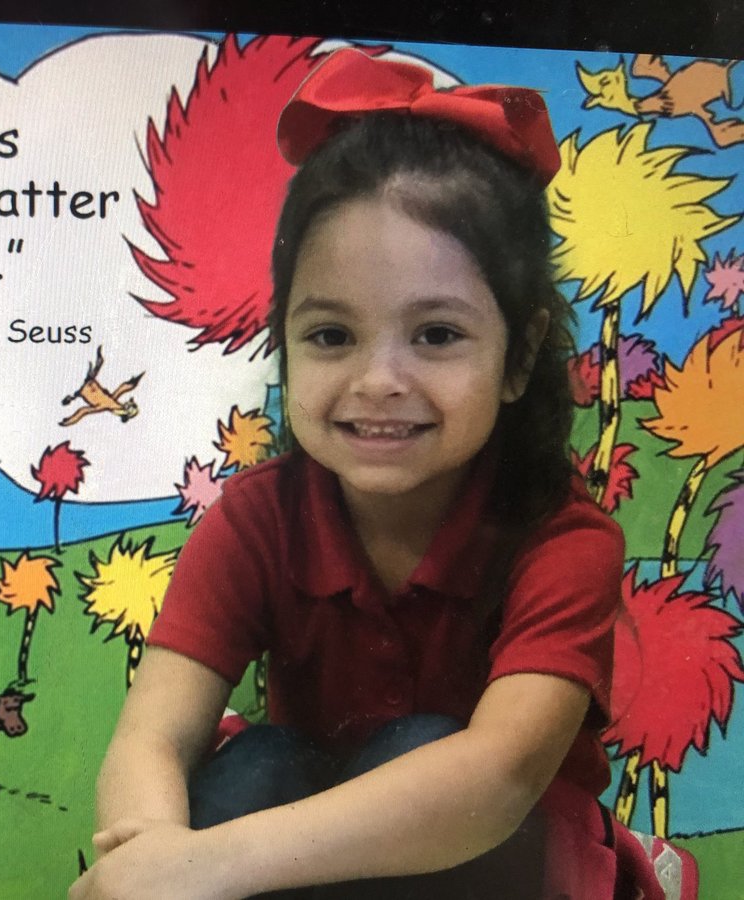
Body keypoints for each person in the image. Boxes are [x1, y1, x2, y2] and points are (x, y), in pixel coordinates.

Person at [70, 48, 626, 899]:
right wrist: (146, 859)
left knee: (427, 750)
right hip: (312, 852)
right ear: (284, 344)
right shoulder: (259, 520)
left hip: (504, 861)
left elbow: (496, 778)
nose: (377, 382)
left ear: (519, 357)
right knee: (253, 763)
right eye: (331, 335)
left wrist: (207, 865)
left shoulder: (562, 541)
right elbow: (151, 739)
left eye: (437, 335)